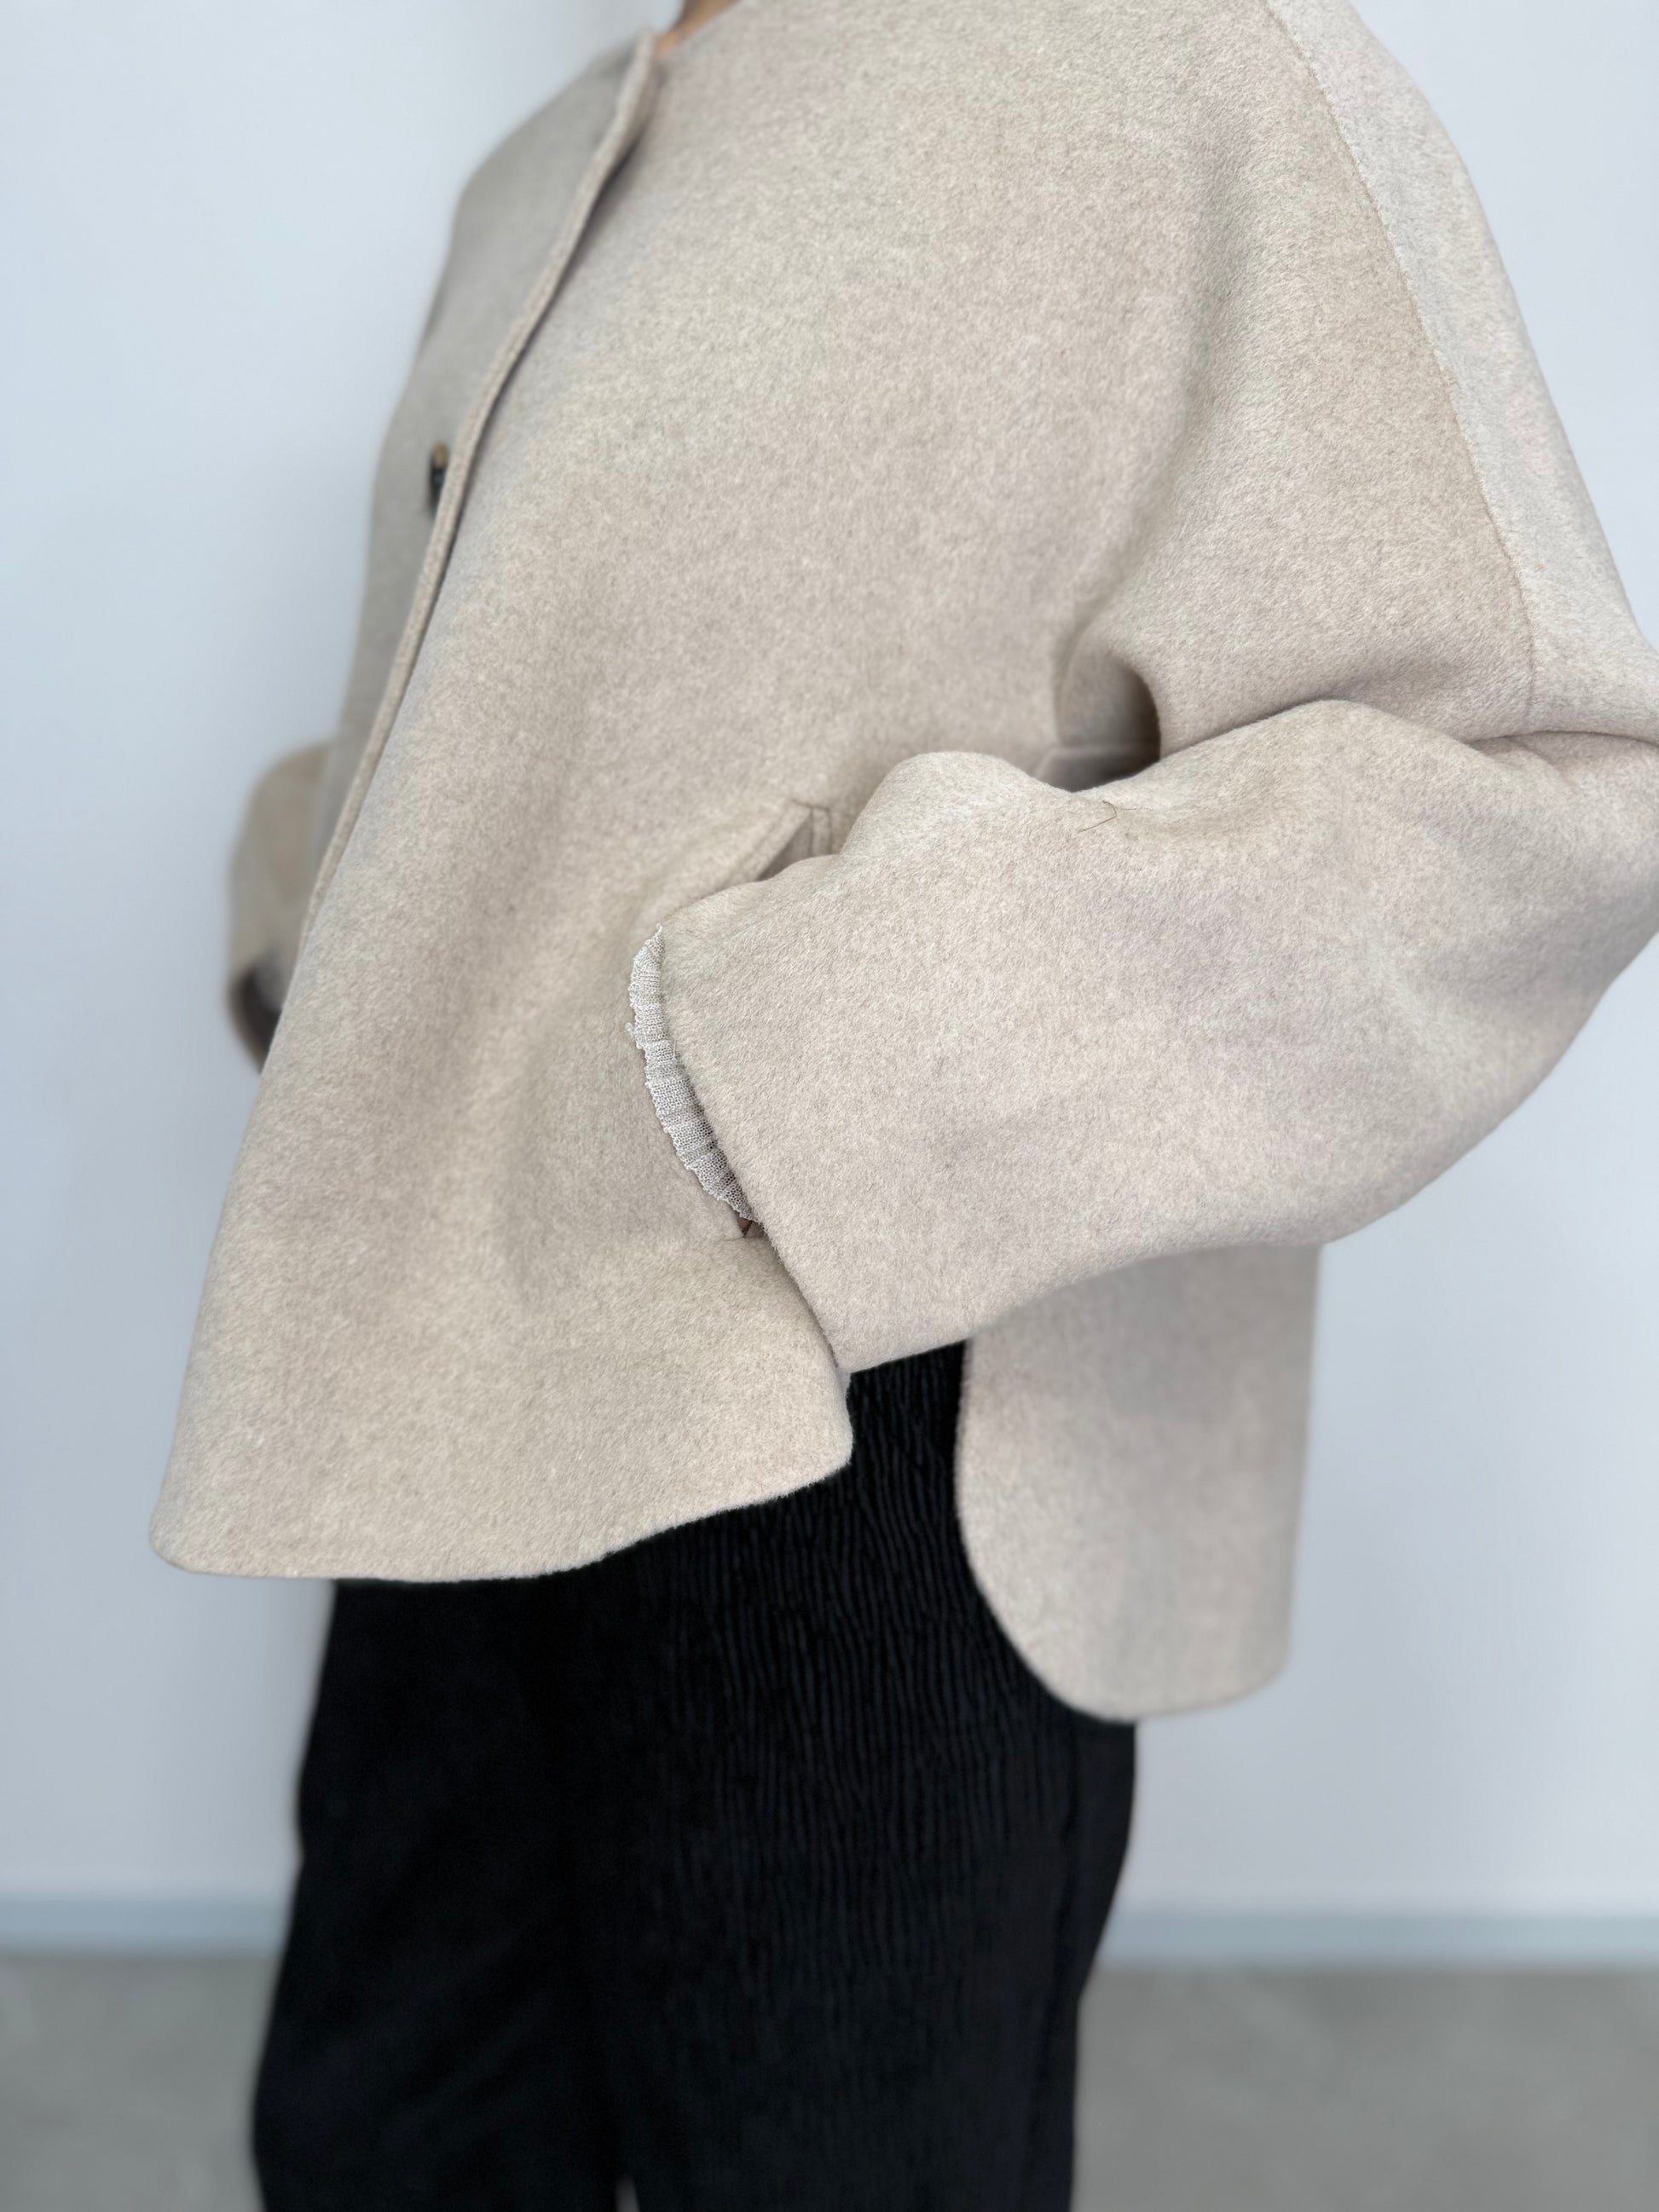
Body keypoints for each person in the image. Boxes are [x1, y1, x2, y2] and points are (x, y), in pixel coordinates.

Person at [153, 1, 1659, 2205]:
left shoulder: (1177, 70)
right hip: (444, 1371)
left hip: (870, 1407)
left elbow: (1536, 788)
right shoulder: (555, 159)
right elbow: (522, 730)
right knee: (385, 2138)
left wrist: (789, 1072)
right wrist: (313, 937)